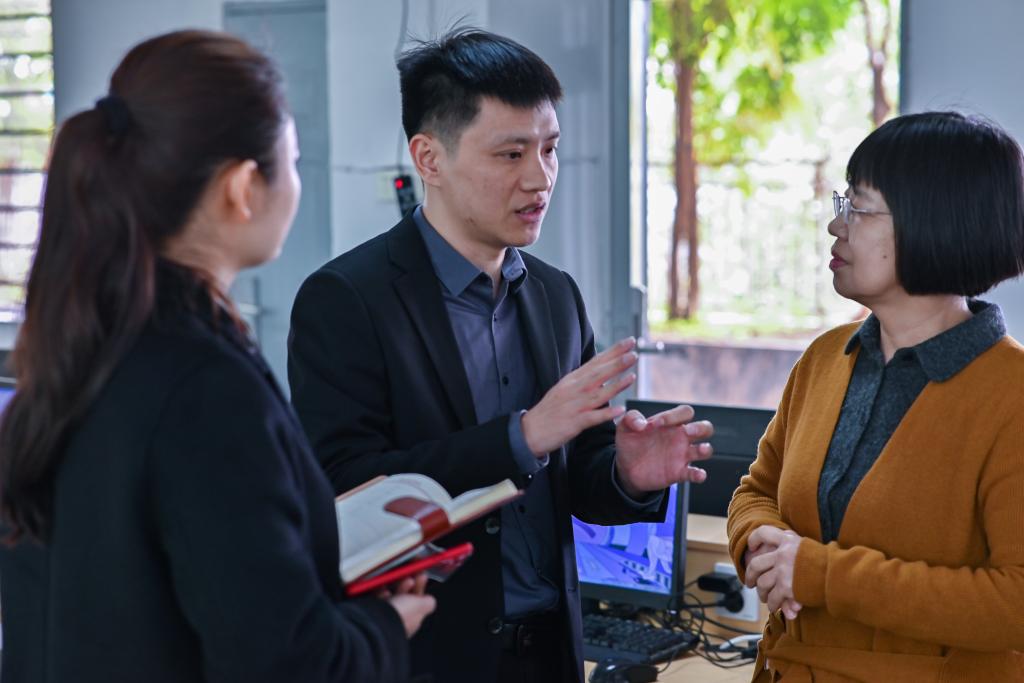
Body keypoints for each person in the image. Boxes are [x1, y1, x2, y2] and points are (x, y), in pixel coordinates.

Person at [0, 30, 434, 683]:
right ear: (241, 187)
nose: (296, 182)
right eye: (292, 161)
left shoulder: (79, 347)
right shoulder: (205, 389)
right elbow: (287, 665)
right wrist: (384, 625)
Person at [287, 28, 714, 683]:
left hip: (550, 650)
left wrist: (627, 476)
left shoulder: (555, 294)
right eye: (511, 153)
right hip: (427, 657)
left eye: (550, 149)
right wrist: (521, 437)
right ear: (429, 158)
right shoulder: (346, 299)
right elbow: (346, 489)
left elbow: (575, 480)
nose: (540, 178)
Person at [727, 111, 1024, 681]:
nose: (835, 226)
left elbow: (1016, 603)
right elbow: (756, 490)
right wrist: (762, 544)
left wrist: (820, 574)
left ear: (934, 220)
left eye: (858, 209)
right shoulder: (825, 357)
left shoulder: (1011, 395)